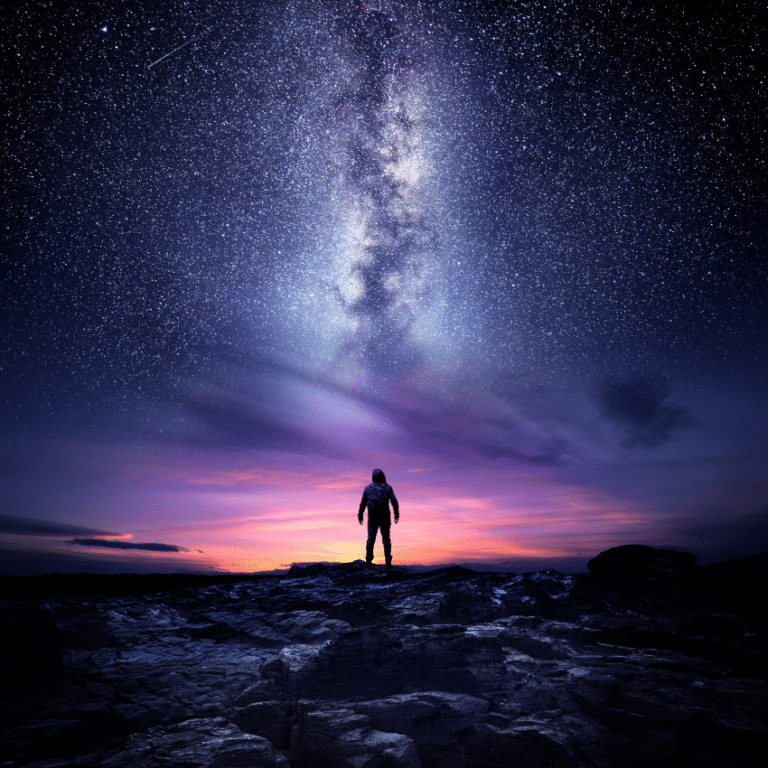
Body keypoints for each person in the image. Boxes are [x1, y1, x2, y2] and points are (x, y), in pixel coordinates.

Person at [358, 468, 399, 568]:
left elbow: (363, 502)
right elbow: (394, 501)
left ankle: (368, 561)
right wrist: (396, 514)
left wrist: (360, 513)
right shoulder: (387, 487)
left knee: (371, 539)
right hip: (385, 516)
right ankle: (388, 562)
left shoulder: (368, 488)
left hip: (372, 516)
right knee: (386, 539)